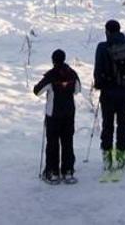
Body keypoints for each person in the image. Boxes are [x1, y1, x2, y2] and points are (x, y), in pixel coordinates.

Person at [93, 18, 125, 171]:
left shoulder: (102, 47)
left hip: (108, 93)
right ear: (120, 30)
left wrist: (99, 85)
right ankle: (121, 157)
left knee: (107, 124)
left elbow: (98, 69)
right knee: (122, 124)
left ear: (107, 31)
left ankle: (107, 158)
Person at [33, 48, 80, 184]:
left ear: (53, 60)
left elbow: (37, 91)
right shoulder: (72, 74)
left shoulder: (51, 75)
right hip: (69, 113)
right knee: (67, 142)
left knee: (52, 143)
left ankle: (52, 172)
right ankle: (68, 171)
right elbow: (77, 90)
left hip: (53, 114)